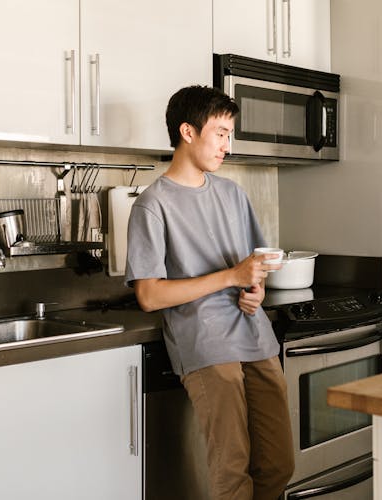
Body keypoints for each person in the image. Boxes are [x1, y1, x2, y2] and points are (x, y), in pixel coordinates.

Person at [124, 85, 294, 500]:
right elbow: (148, 295)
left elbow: (252, 266)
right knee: (232, 470)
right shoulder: (152, 205)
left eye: (229, 134)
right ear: (187, 132)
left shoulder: (233, 194)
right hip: (204, 343)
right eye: (220, 133)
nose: (227, 146)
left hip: (254, 336)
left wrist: (255, 286)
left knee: (279, 462)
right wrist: (231, 278)